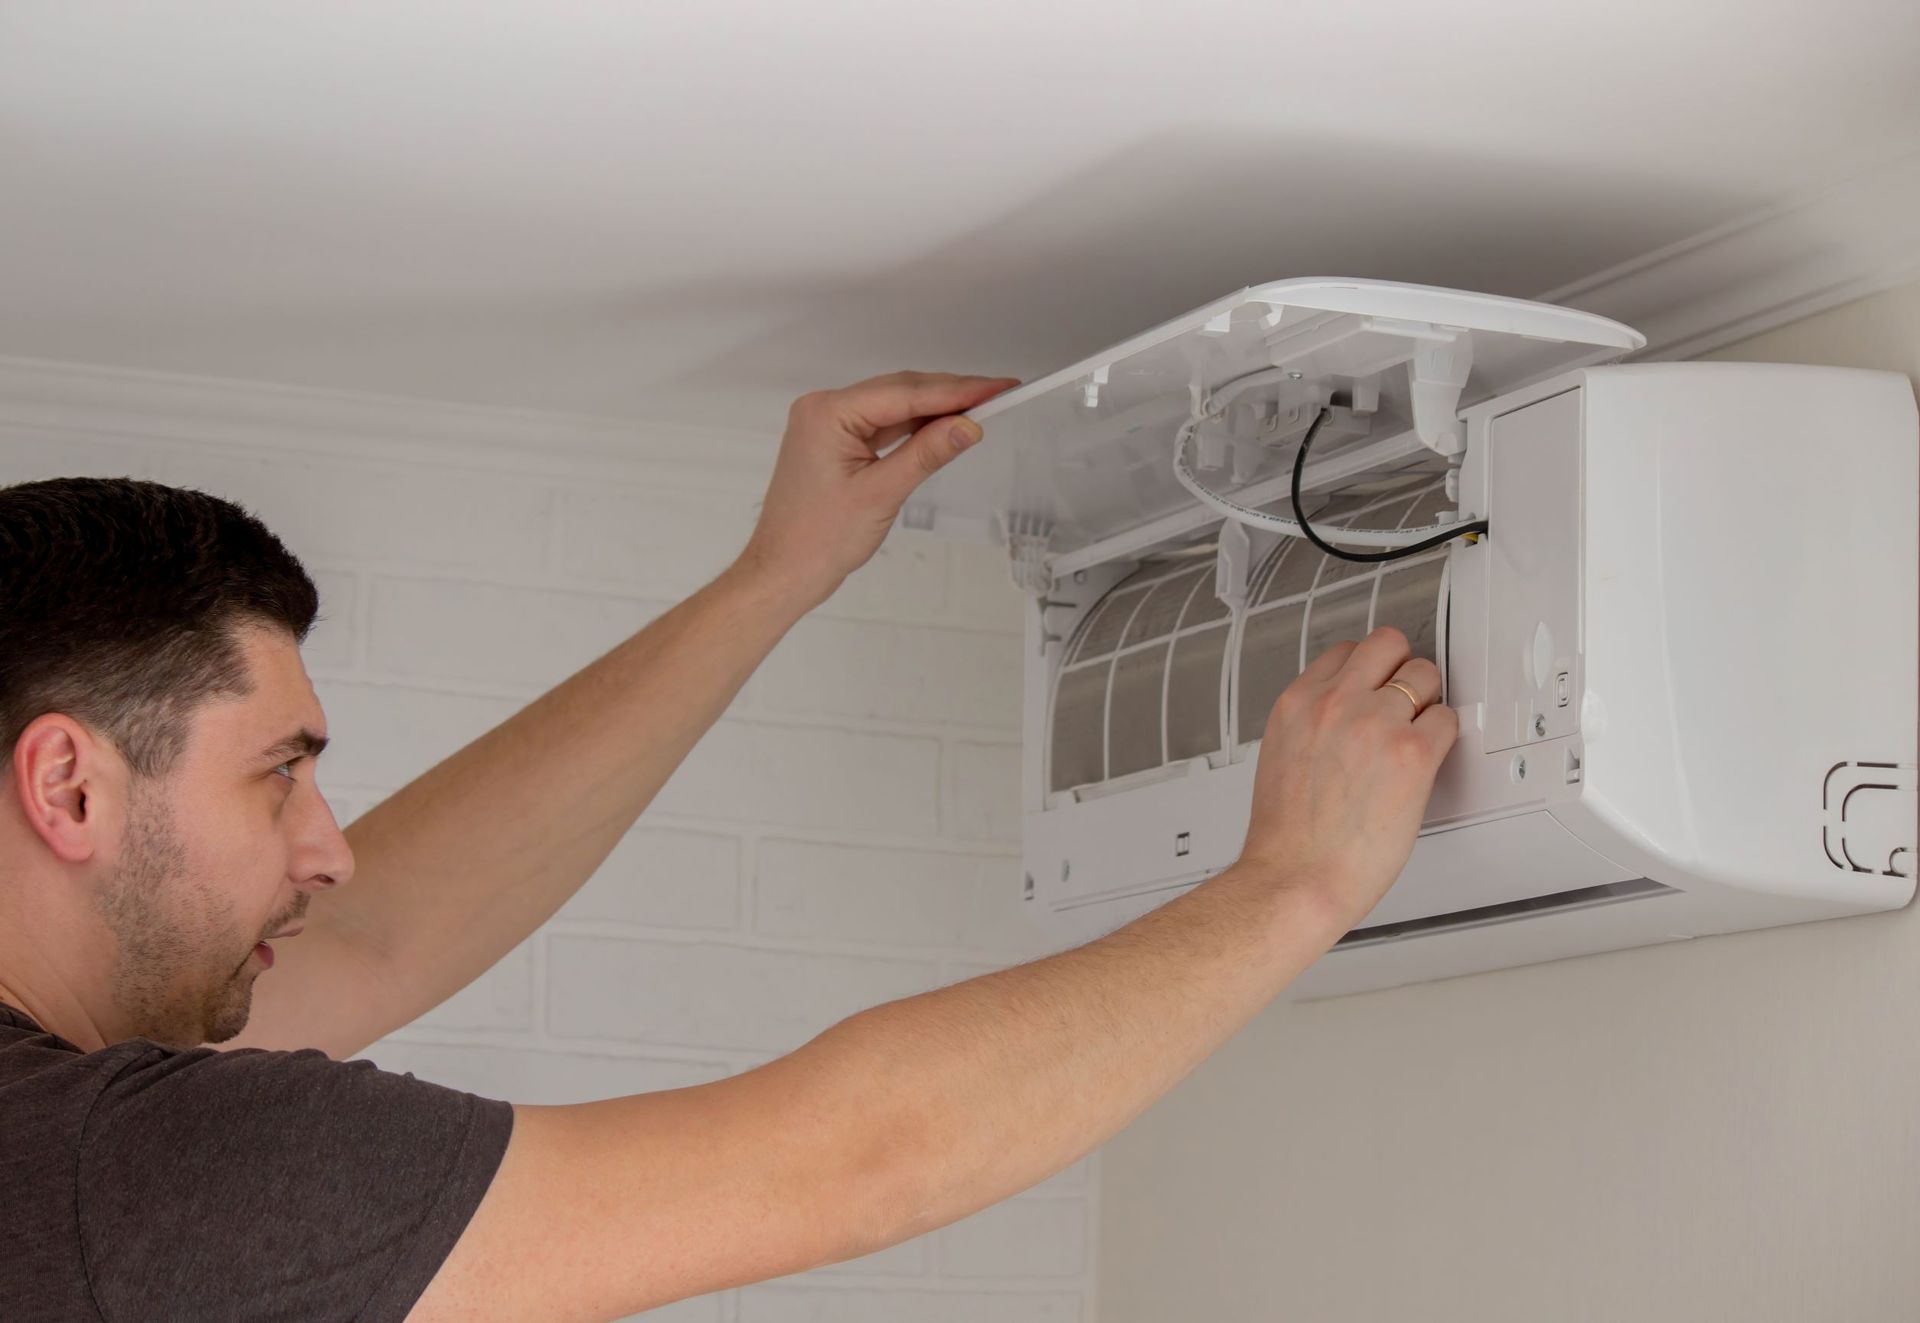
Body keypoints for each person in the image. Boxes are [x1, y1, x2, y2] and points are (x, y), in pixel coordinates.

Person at [0, 371, 1455, 1322]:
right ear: (68, 788)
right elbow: (859, 1158)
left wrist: (775, 578)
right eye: (279, 776)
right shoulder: (124, 1177)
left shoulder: (69, 1144)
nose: (327, 852)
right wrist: (1295, 884)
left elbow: (384, 934)